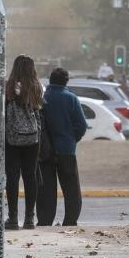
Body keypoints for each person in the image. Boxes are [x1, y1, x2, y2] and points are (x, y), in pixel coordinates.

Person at [37, 67, 87, 227]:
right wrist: (72, 139)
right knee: (71, 189)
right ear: (66, 81)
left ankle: (45, 221)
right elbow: (81, 125)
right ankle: (70, 220)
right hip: (66, 151)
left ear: (50, 80)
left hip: (45, 152)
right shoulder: (71, 99)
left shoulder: (42, 98)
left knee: (46, 190)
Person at [3, 55, 44, 230]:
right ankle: (29, 218)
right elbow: (39, 108)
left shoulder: (10, 86)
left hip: (12, 136)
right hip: (32, 137)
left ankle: (12, 218)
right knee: (30, 176)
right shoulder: (37, 86)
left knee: (12, 177)